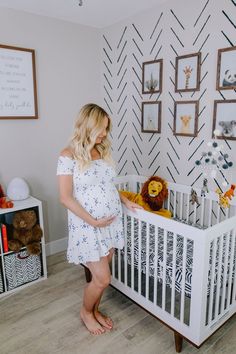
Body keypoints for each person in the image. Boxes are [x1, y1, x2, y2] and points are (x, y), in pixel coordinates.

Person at [57, 103, 142, 335]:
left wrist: (125, 200)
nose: (105, 134)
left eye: (106, 128)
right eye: (101, 128)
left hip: (111, 224)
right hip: (88, 226)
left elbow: (108, 186)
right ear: (87, 125)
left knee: (99, 277)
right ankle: (86, 312)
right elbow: (65, 198)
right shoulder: (68, 156)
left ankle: (95, 310)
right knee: (103, 279)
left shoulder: (102, 151)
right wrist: (93, 222)